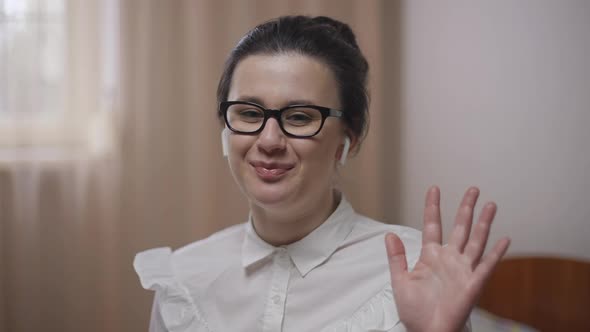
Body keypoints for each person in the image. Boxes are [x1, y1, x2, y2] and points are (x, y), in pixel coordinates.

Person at [134, 15, 510, 332]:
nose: (269, 140)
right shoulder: (183, 279)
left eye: (299, 117)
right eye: (249, 113)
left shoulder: (416, 272)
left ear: (350, 138)